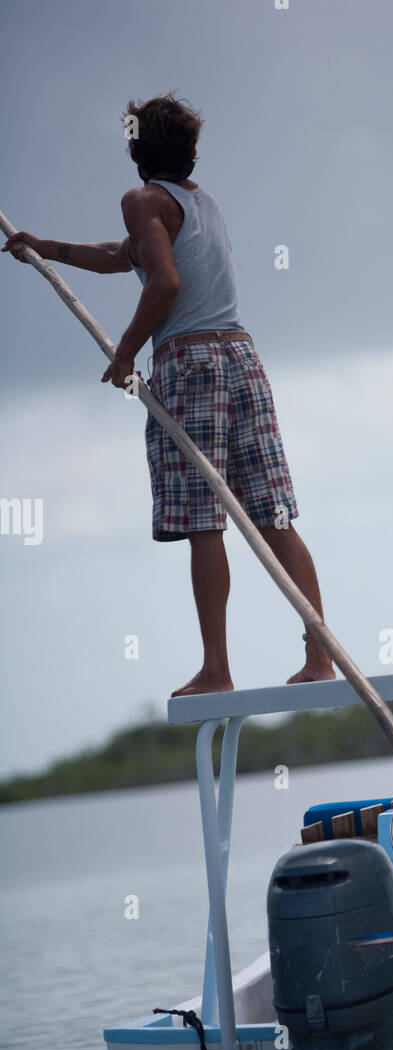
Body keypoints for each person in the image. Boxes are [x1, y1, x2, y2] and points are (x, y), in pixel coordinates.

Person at [2, 93, 335, 696]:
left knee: (204, 523)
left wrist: (127, 351)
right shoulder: (200, 204)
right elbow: (122, 256)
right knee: (275, 514)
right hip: (241, 355)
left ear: (135, 149)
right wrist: (45, 249)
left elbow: (164, 280)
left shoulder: (141, 199)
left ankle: (217, 670)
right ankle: (320, 656)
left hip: (190, 363)